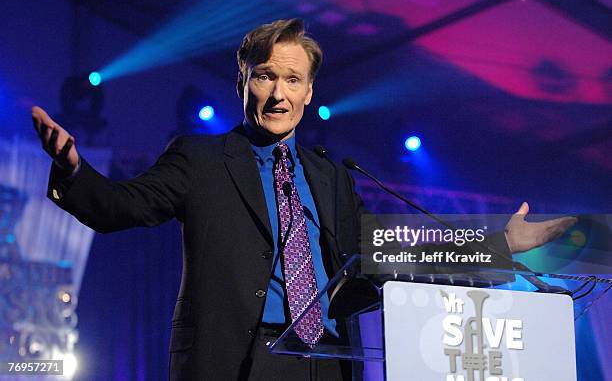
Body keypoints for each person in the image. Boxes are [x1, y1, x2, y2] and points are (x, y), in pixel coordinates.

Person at [31, 19, 576, 381]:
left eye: (292, 79)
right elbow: (120, 207)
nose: (278, 93)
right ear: (242, 82)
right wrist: (74, 170)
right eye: (265, 76)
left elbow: (393, 254)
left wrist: (498, 246)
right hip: (238, 362)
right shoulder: (199, 160)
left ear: (310, 92)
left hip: (328, 362)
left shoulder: (332, 175)